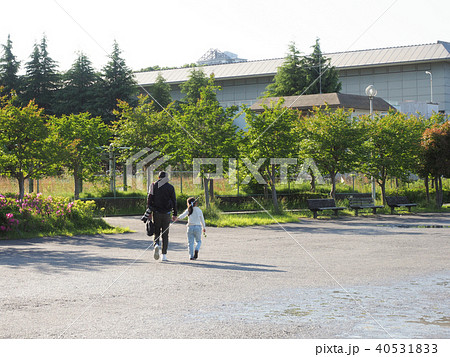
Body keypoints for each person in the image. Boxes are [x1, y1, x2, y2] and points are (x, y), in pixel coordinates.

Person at [146, 171, 177, 261]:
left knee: (156, 232)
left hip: (156, 212)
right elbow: (174, 201)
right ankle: (164, 255)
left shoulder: (153, 185)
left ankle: (156, 245)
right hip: (167, 213)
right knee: (165, 234)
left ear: (159, 177)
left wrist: (149, 212)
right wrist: (175, 214)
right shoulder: (170, 187)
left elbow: (149, 199)